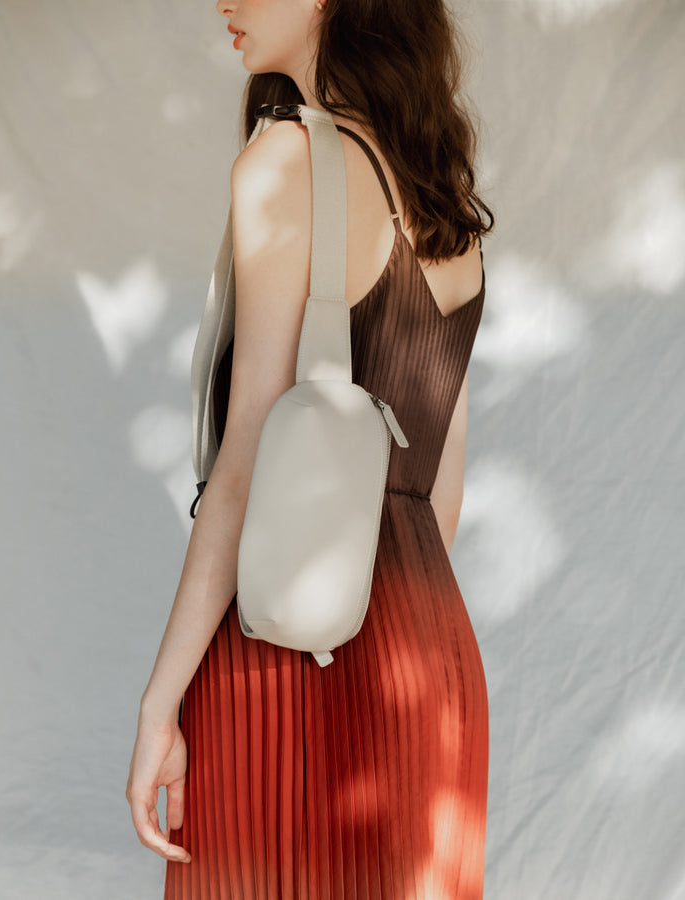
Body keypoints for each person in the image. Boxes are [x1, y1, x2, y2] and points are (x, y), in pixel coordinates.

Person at [126, 0, 495, 896]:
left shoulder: (284, 161)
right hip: (431, 660)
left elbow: (246, 461)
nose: (225, 3)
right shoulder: (444, 200)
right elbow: (440, 489)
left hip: (288, 649)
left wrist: (159, 703)